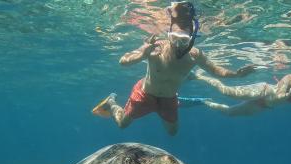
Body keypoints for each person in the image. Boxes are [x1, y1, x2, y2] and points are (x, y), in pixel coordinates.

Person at [92, 1, 256, 135]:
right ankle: (112, 103)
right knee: (122, 124)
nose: (177, 44)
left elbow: (216, 70)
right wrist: (142, 54)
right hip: (145, 94)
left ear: (192, 39)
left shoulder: (195, 55)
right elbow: (123, 61)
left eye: (183, 39)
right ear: (168, 33)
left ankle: (177, 102)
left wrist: (236, 74)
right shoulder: (156, 47)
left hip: (169, 99)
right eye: (174, 38)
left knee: (173, 132)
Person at [180, 47, 291, 118]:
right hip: (262, 92)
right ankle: (199, 76)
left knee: (228, 113)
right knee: (226, 91)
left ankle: (203, 102)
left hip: (263, 106)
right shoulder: (289, 79)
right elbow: (278, 97)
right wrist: (288, 94)